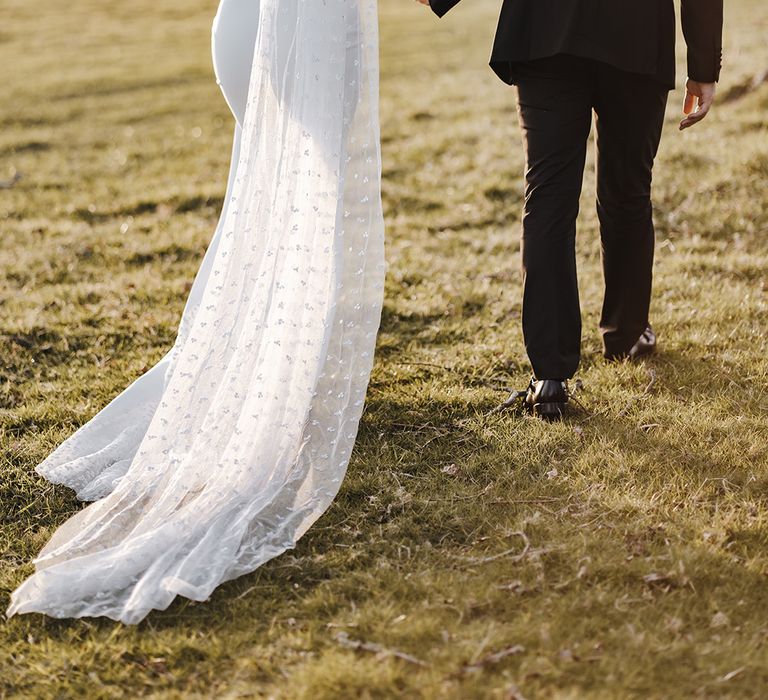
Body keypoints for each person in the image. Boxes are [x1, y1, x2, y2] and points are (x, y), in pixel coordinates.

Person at [8, 0, 385, 624]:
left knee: (273, 205)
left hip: (246, 27)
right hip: (297, 36)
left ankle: (263, 360)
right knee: (302, 205)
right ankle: (271, 376)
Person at [419, 0, 723, 420]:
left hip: (546, 29)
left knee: (547, 199)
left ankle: (550, 377)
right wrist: (704, 65)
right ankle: (627, 335)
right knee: (628, 193)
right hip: (635, 33)